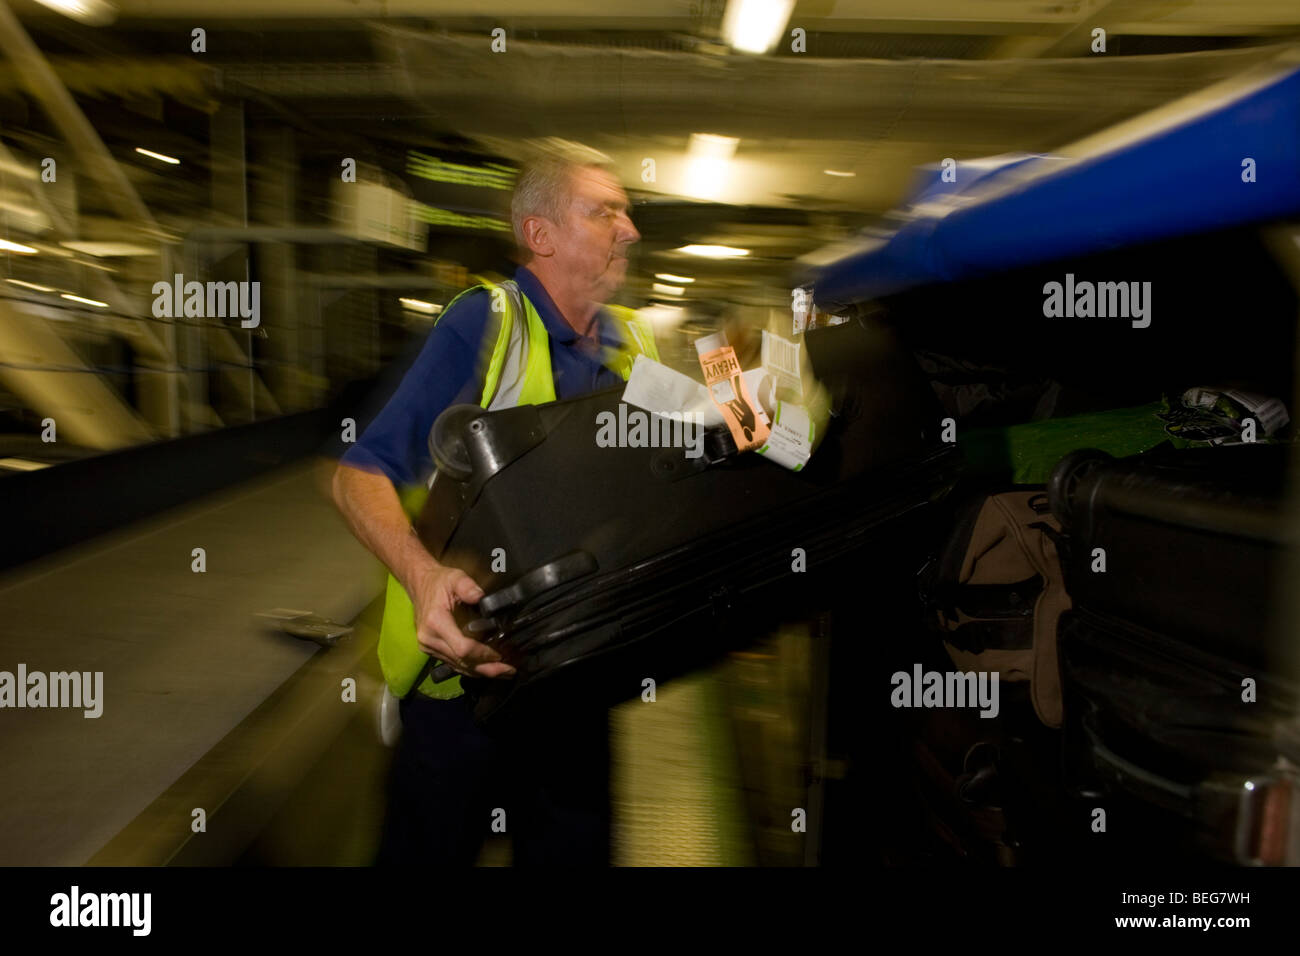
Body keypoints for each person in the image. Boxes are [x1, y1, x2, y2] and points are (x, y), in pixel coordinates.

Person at [331, 140, 658, 866]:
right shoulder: (486, 325)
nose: (629, 230)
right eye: (604, 212)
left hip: (577, 684)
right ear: (539, 233)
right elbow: (357, 475)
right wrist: (422, 579)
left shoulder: (634, 345)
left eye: (627, 213)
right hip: (464, 691)